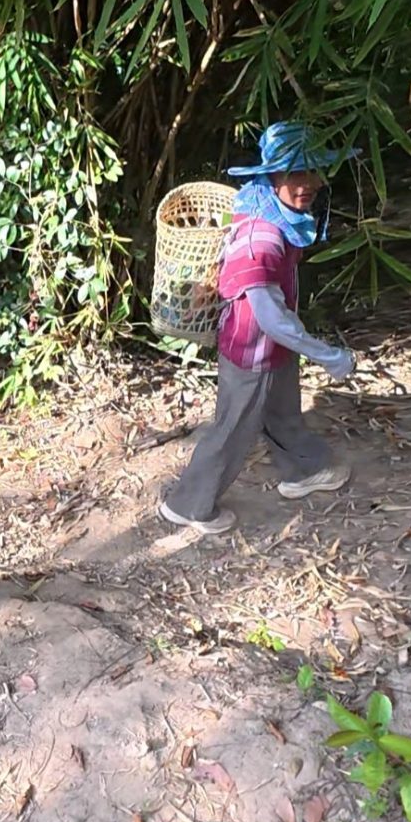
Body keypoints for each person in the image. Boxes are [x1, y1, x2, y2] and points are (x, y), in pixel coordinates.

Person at [159, 122, 356, 535]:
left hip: (271, 350)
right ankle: (189, 505)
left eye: (312, 172)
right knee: (232, 429)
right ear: (273, 176)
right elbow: (271, 318)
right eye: (295, 174)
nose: (308, 184)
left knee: (282, 409)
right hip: (253, 351)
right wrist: (329, 356)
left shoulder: (263, 205)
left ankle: (305, 469)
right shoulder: (262, 238)